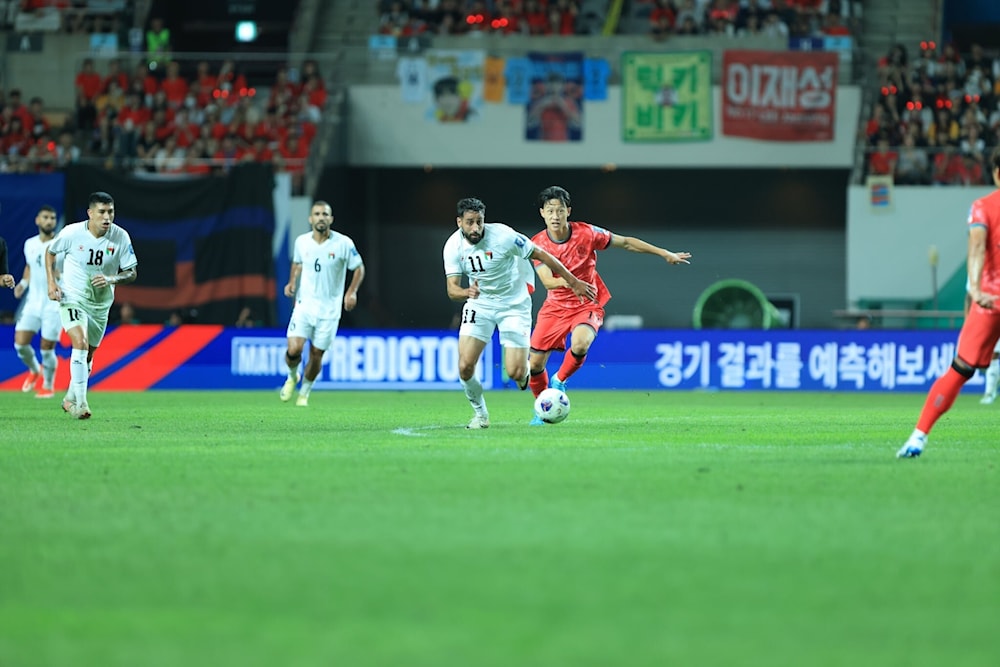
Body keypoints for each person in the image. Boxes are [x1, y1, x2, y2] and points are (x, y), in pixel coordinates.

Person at [526, 185, 692, 424]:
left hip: (587, 302)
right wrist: (574, 282)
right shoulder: (538, 244)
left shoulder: (587, 233)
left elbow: (625, 242)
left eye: (559, 210)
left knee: (581, 343)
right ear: (542, 213)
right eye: (550, 211)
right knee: (534, 364)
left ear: (568, 211)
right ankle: (541, 409)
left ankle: (560, 380)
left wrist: (663, 252)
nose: (555, 216)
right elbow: (548, 282)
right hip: (555, 307)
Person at [443, 196, 597, 429]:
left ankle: (525, 373)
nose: (476, 228)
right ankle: (481, 415)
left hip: (513, 305)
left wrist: (573, 281)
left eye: (479, 222)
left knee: (516, 373)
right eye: (470, 222)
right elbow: (452, 289)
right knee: (465, 366)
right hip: (479, 304)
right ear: (459, 222)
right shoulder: (453, 246)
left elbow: (544, 256)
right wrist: (466, 292)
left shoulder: (504, 236)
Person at [899, 147, 1000, 457]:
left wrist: (974, 288)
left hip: (991, 300)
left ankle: (918, 436)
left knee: (960, 369)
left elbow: (977, 248)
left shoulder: (983, 207)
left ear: (996, 173)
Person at [46, 192, 138, 419]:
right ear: (90, 213)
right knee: (80, 342)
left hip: (101, 305)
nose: (107, 217)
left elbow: (132, 272)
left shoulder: (121, 237)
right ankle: (82, 405)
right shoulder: (72, 232)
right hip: (73, 297)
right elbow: (50, 251)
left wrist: (111, 279)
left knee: (87, 356)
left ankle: (69, 398)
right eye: (102, 212)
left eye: (111, 212)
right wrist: (51, 283)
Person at [280, 200, 365, 407]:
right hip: (304, 306)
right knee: (294, 349)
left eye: (325, 214)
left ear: (331, 219)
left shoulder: (343, 243)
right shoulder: (302, 241)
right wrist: (292, 281)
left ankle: (305, 393)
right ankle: (293, 377)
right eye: (317, 214)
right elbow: (297, 263)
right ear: (311, 219)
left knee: (316, 354)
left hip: (329, 311)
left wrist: (351, 292)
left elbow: (359, 268)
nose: (321, 217)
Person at [13, 205, 61, 398]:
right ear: (37, 220)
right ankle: (34, 369)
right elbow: (30, 266)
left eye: (53, 218)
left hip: (54, 303)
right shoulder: (29, 244)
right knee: (20, 345)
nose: (50, 221)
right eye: (46, 217)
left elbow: (65, 269)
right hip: (33, 302)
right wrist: (23, 284)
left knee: (47, 348)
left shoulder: (61, 243)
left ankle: (48, 385)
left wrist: (60, 276)